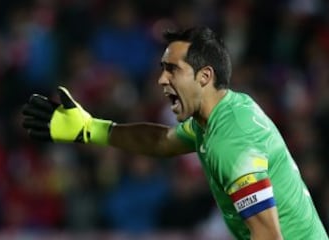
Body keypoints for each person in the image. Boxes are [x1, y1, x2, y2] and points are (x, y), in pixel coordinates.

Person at [22, 26, 328, 240]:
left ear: (205, 76)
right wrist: (92, 130)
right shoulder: (221, 114)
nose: (161, 80)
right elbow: (162, 141)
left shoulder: (232, 141)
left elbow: (268, 237)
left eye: (172, 69)